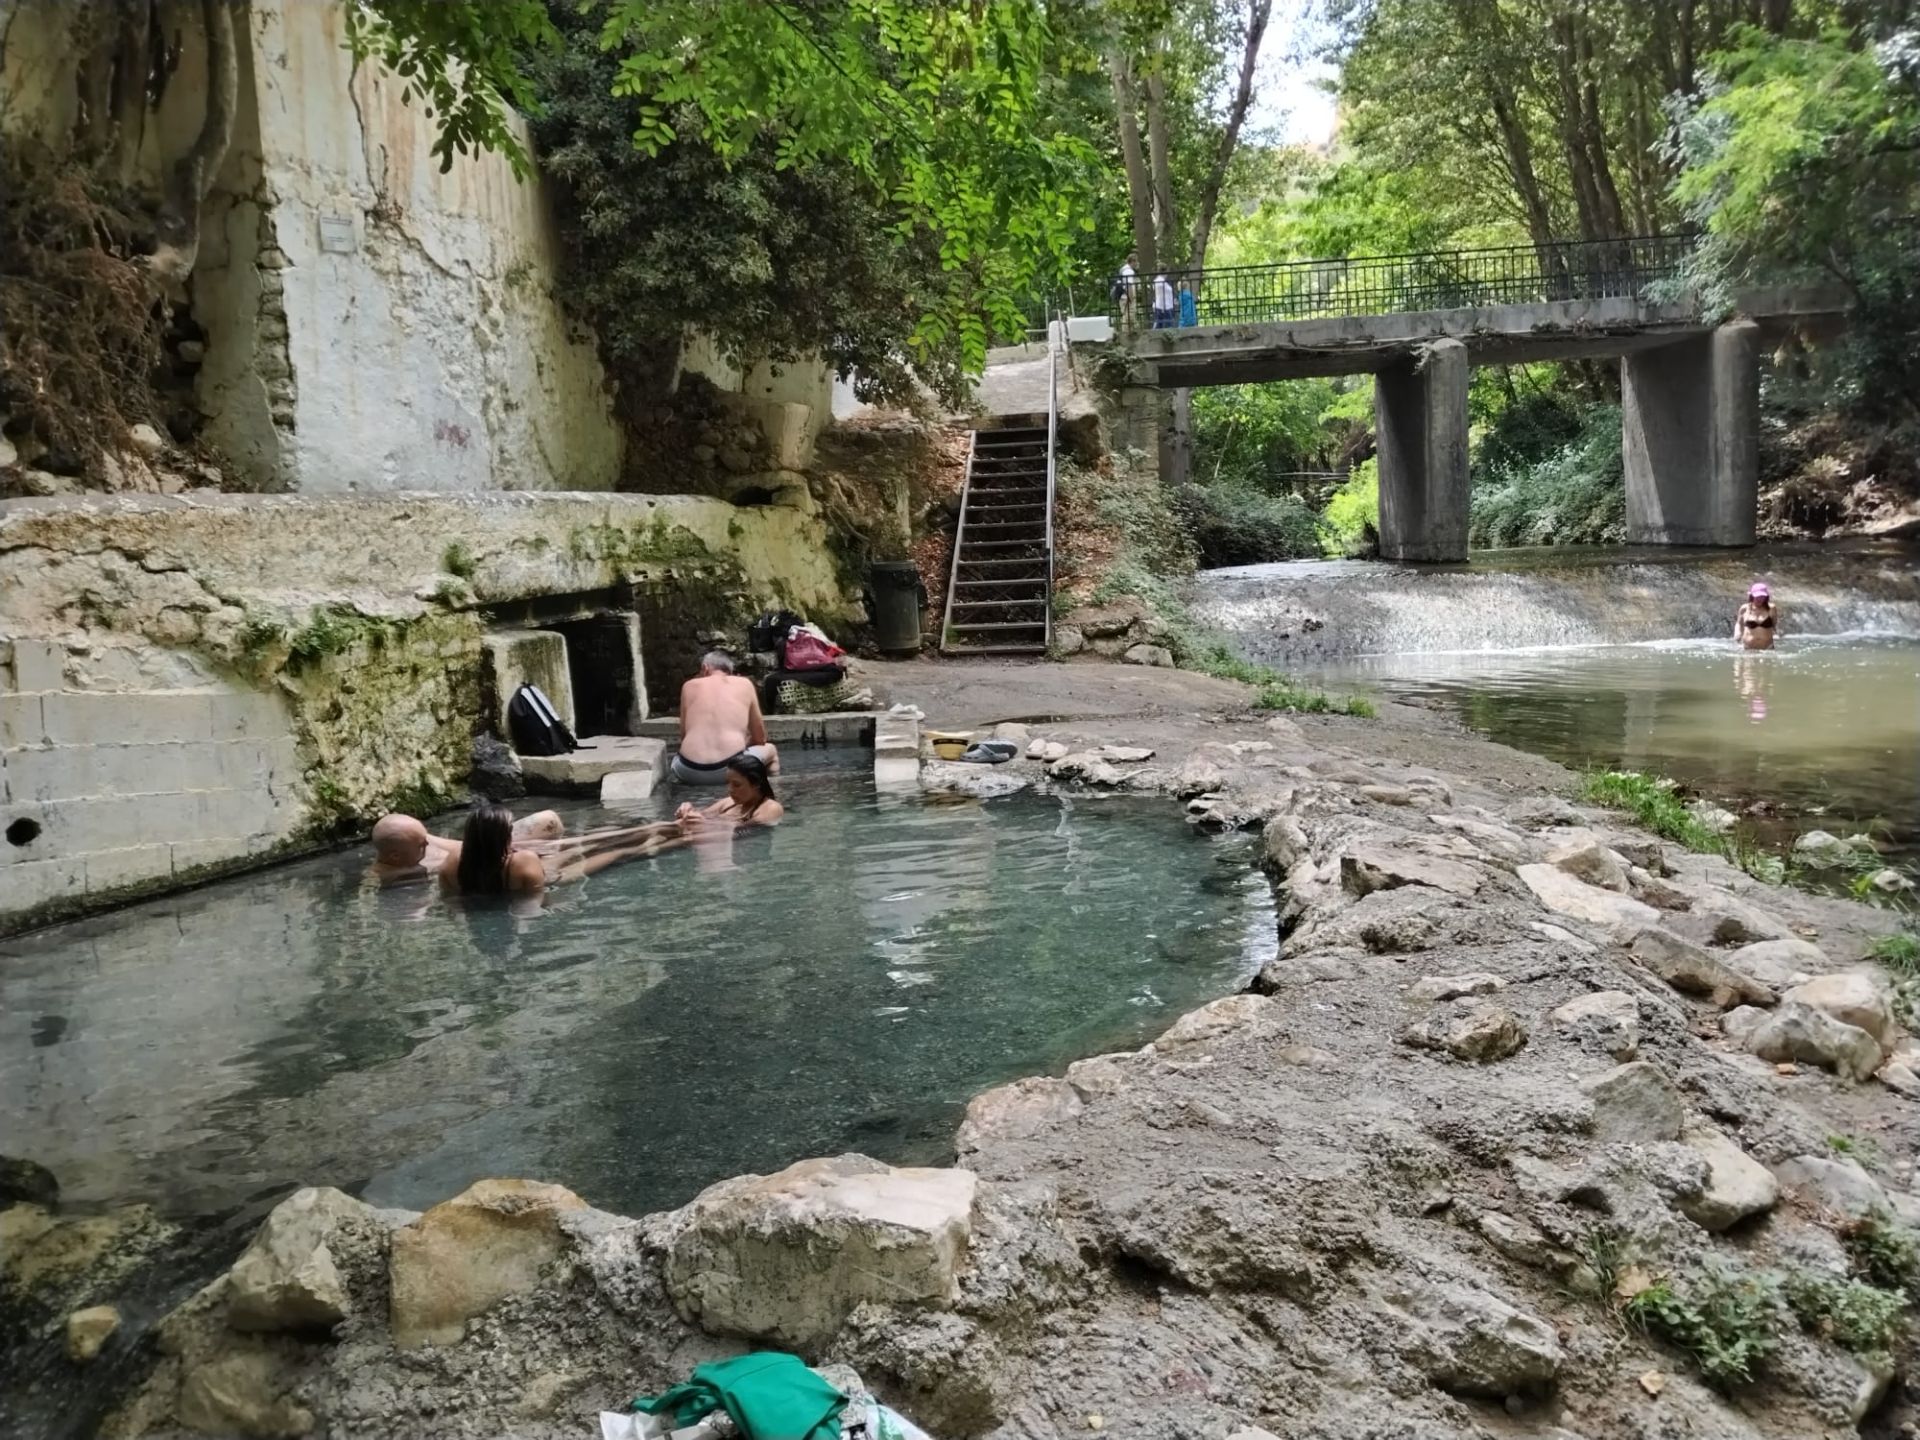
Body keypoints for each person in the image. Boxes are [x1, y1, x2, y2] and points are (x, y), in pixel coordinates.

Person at [440, 802, 683, 899]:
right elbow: (540, 897)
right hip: (547, 877)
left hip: (531, 873)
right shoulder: (522, 860)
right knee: (619, 853)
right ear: (501, 840)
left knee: (598, 845)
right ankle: (679, 837)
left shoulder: (452, 862)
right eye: (509, 832)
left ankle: (664, 831)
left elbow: (453, 901)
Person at [366, 809, 567, 885]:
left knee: (549, 820)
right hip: (486, 857)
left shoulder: (413, 842)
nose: (427, 842)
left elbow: (465, 846)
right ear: (394, 856)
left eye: (425, 837)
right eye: (422, 844)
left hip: (486, 847)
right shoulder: (389, 878)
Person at [672, 651, 779, 785]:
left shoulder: (688, 686)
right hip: (733, 769)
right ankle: (767, 799)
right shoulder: (744, 684)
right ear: (730, 671)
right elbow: (760, 738)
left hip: (688, 769)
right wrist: (742, 742)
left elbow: (684, 736)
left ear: (705, 668)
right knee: (771, 750)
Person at [674, 754, 784, 828]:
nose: (730, 790)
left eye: (737, 785)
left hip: (746, 851)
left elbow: (747, 830)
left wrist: (707, 824)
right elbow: (702, 815)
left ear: (756, 783)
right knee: (661, 828)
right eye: (728, 783)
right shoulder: (728, 803)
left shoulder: (771, 808)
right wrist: (687, 811)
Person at [1734, 582, 1778, 651]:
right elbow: (1739, 623)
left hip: (1767, 649)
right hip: (1747, 649)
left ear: (1766, 597)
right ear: (1752, 596)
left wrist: (1775, 633)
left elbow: (1774, 624)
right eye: (1757, 596)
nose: (1760, 599)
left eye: (1762, 597)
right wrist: (1737, 633)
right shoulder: (1744, 608)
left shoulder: (1772, 608)